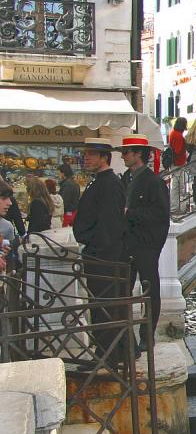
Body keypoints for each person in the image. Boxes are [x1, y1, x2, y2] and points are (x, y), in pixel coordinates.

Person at [73, 138, 128, 367]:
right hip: (99, 255)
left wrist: (95, 249)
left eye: (91, 154)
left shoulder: (109, 184)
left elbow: (109, 225)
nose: (86, 158)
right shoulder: (101, 182)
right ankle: (109, 353)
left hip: (103, 257)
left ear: (104, 157)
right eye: (86, 154)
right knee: (101, 306)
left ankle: (108, 355)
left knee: (105, 306)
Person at [118, 136, 170, 354]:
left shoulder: (153, 181)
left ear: (138, 153)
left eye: (126, 152)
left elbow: (160, 215)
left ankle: (146, 337)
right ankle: (124, 338)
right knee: (122, 290)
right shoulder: (124, 180)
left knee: (149, 291)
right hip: (127, 244)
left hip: (146, 245)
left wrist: (131, 213)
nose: (122, 156)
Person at [0, 181, 17, 273]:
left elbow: (9, 260)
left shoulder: (7, 227)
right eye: (4, 198)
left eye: (9, 198)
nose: (10, 203)